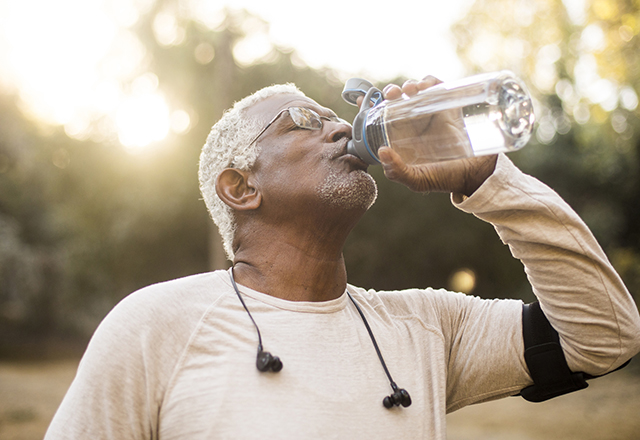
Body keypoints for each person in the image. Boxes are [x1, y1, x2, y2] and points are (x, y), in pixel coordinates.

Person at [46, 77, 640, 439]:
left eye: (336, 116)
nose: (338, 129)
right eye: (303, 122)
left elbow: (605, 337)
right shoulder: (155, 325)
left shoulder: (426, 327)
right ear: (241, 188)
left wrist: (490, 180)